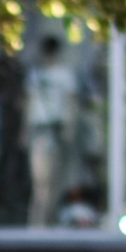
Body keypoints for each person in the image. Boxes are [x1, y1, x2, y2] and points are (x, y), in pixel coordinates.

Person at [26, 37, 80, 227]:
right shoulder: (36, 74)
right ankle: (37, 220)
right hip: (39, 128)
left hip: (55, 128)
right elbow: (30, 103)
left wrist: (68, 128)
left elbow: (70, 102)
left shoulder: (64, 75)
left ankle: (47, 219)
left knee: (53, 180)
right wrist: (25, 131)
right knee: (40, 180)